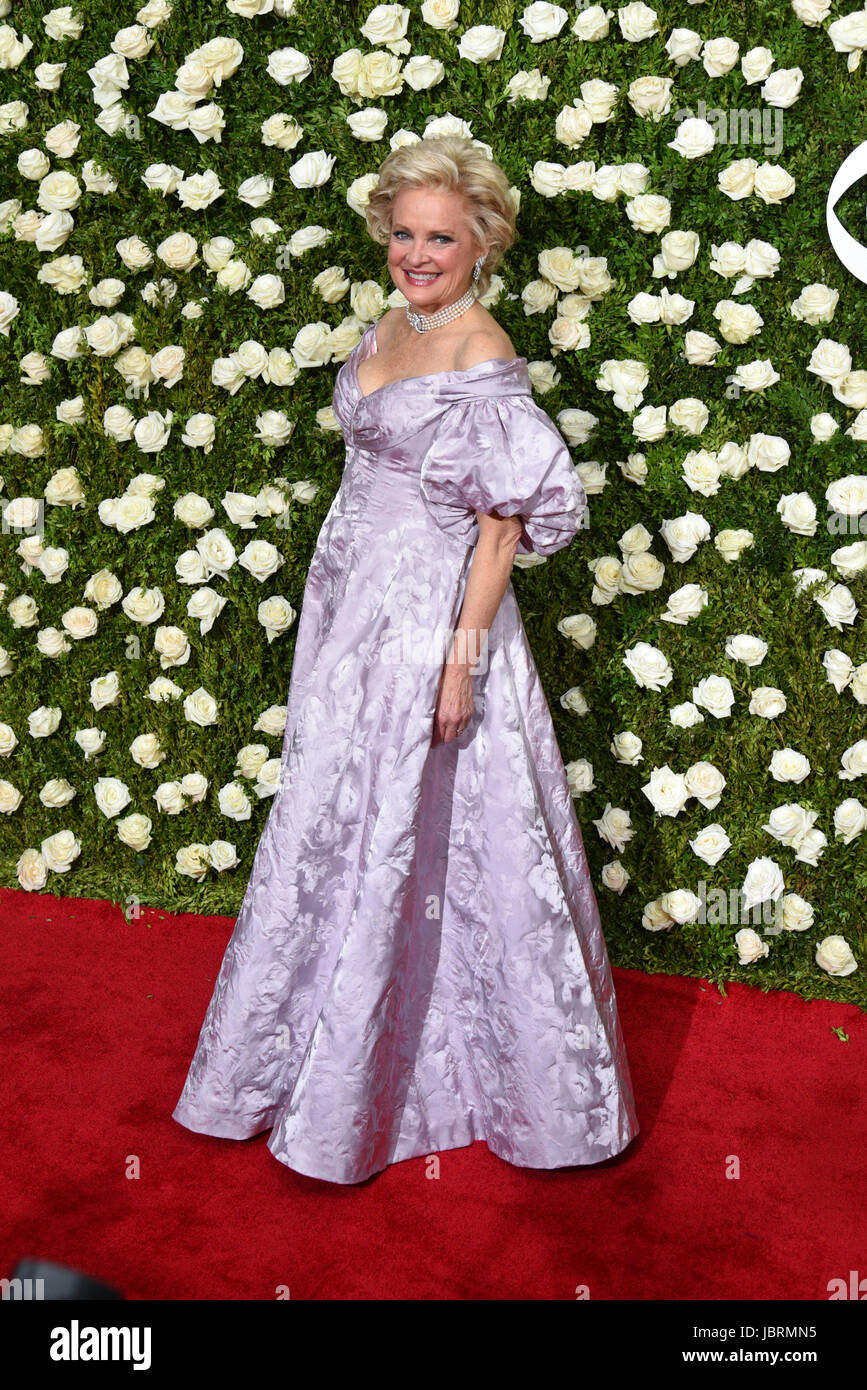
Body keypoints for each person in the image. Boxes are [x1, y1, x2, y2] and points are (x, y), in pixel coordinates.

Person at [172, 135, 639, 1184]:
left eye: (442, 237)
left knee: (433, 828)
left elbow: (505, 526)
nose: (418, 254)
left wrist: (463, 660)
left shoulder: (480, 351)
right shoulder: (390, 322)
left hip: (434, 618)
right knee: (337, 814)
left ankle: (432, 1083)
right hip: (352, 615)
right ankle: (304, 1051)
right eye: (404, 234)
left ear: (484, 245)